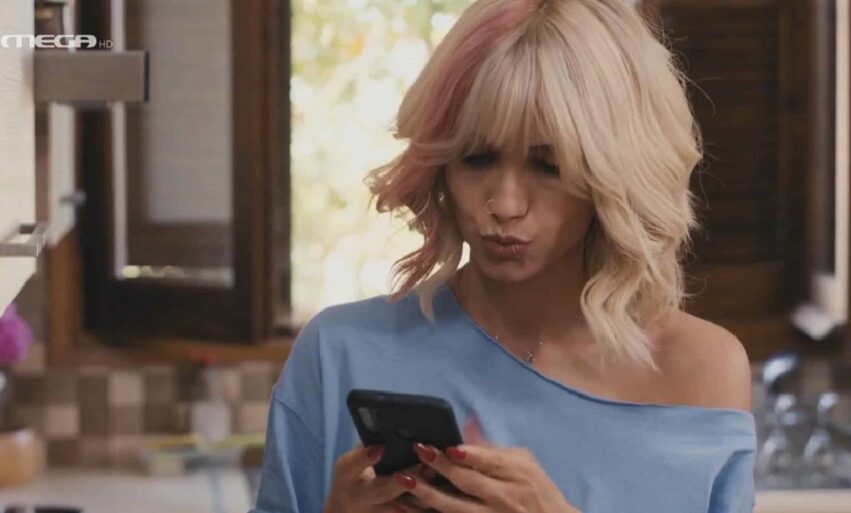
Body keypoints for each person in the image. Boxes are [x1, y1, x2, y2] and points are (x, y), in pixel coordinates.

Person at [250, 0, 757, 512]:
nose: (504, 205)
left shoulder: (701, 371)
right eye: (476, 158)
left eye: (548, 166)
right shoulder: (340, 352)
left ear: (616, 177)